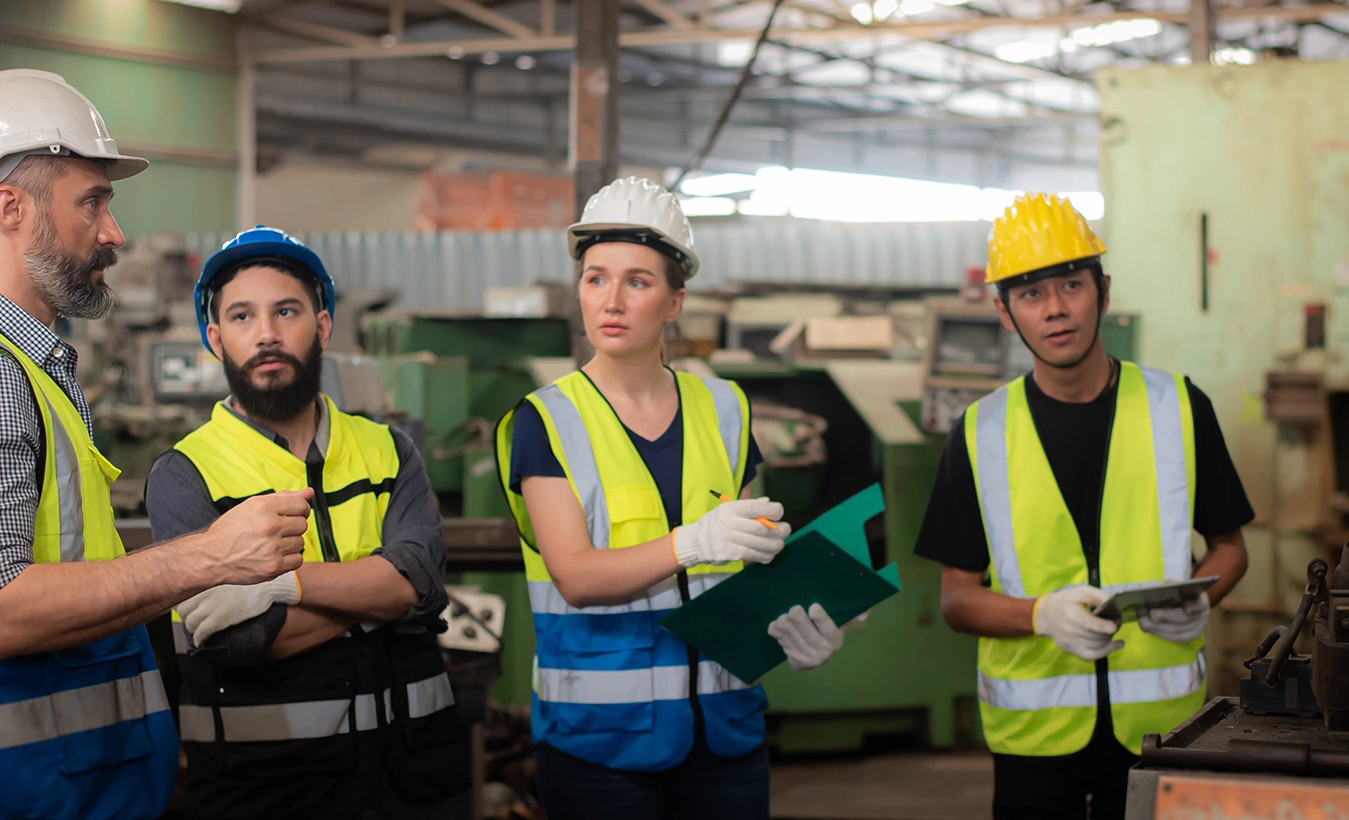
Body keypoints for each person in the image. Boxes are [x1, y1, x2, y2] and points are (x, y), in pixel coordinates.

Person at [0, 70, 311, 819]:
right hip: (17, 795)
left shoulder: (18, 367)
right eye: (93, 203)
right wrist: (211, 556)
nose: (114, 233)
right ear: (11, 208)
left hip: (56, 787)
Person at [496, 177, 852, 820]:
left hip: (727, 733)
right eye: (595, 278)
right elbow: (573, 575)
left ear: (674, 300)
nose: (611, 299)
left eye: (638, 281)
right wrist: (691, 543)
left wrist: (805, 623)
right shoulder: (544, 421)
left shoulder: (726, 408)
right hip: (600, 745)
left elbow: (746, 567)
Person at [916, 193, 1254, 819]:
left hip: (1163, 730)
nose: (1056, 310)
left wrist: (1198, 601)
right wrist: (1041, 616)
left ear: (1103, 290)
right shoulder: (979, 431)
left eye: (1071, 284)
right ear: (1005, 311)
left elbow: (1231, 549)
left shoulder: (1178, 407)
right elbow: (957, 599)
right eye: (1031, 294)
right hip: (1034, 744)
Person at [145, 227, 470, 820]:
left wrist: (280, 587)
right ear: (216, 341)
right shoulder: (185, 474)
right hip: (266, 790)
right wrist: (381, 599)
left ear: (321, 326)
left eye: (286, 311)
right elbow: (235, 639)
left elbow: (420, 580)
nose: (266, 333)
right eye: (242, 317)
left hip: (416, 779)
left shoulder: (389, 450)